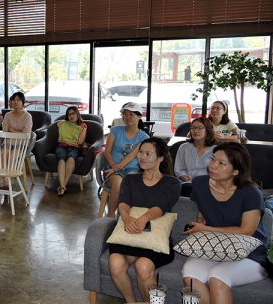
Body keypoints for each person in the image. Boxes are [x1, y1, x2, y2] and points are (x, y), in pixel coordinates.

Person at [182, 142, 269, 304]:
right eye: (213, 159)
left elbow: (247, 230)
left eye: (222, 163)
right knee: (191, 277)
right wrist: (201, 219)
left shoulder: (250, 192)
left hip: (250, 252)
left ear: (236, 170)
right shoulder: (200, 183)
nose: (213, 165)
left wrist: (205, 228)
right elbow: (204, 205)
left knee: (217, 278)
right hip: (216, 245)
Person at [108, 137, 182, 303]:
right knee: (115, 262)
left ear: (161, 158)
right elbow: (124, 202)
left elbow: (161, 206)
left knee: (143, 266)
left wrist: (143, 219)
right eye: (141, 152)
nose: (142, 157)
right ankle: (131, 302)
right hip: (129, 236)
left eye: (148, 154)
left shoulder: (173, 183)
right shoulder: (130, 179)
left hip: (155, 240)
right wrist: (126, 218)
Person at [103, 102, 150, 217]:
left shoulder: (144, 137)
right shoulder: (115, 130)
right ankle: (110, 217)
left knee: (131, 183)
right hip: (111, 168)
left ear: (139, 116)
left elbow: (132, 155)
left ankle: (124, 216)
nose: (127, 117)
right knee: (118, 183)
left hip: (132, 169)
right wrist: (113, 166)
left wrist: (116, 168)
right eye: (124, 114)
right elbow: (107, 151)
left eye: (131, 114)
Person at [174, 117, 217, 196]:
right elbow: (179, 170)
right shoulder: (184, 147)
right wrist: (189, 180)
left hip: (208, 184)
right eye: (193, 128)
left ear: (208, 130)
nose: (196, 131)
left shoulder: (215, 150)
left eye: (200, 128)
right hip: (187, 183)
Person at [0, 92, 32, 190]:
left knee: (13, 155)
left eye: (18, 100)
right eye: (13, 100)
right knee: (4, 154)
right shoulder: (8, 115)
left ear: (23, 103)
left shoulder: (27, 116)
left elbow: (26, 134)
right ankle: (6, 182)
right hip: (8, 141)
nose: (15, 102)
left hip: (22, 142)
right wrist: (18, 132)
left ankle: (8, 178)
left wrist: (12, 131)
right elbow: (5, 131)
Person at [55, 106, 87, 197]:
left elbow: (80, 141)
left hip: (75, 148)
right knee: (61, 161)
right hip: (62, 147)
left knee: (70, 160)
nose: (71, 116)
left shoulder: (82, 126)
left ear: (77, 114)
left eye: (73, 113)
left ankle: (63, 186)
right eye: (69, 114)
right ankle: (62, 186)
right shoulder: (62, 124)